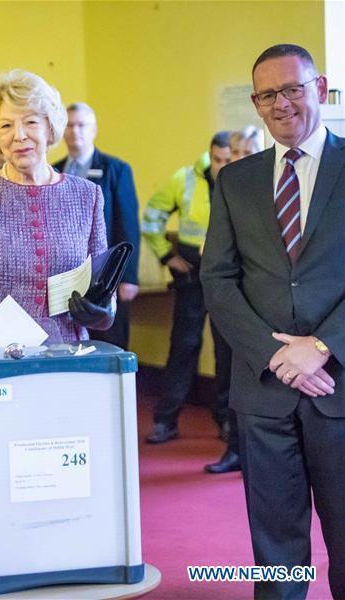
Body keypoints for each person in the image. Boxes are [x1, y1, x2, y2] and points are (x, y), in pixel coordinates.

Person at [202, 44, 344, 599]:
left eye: (293, 89)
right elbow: (218, 279)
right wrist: (278, 355)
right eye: (268, 95)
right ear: (256, 105)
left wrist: (323, 345)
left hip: (339, 385)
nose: (282, 104)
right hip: (263, 392)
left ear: (321, 88)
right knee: (276, 551)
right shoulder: (236, 182)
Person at [0, 69, 112, 344]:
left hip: (67, 352)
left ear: (49, 127)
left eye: (31, 122)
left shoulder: (87, 195)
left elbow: (103, 289)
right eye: (6, 126)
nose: (19, 135)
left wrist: (101, 312)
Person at [141, 132, 231, 444]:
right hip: (192, 272)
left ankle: (226, 420)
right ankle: (166, 420)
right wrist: (168, 256)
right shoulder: (184, 179)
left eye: (228, 160)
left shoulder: (245, 179)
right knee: (184, 345)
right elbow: (152, 218)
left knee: (227, 350)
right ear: (210, 155)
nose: (222, 166)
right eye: (217, 159)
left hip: (230, 273)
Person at [54, 102, 141, 349]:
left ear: (93, 130)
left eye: (82, 125)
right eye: (70, 125)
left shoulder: (116, 169)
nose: (75, 131)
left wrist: (129, 277)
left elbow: (128, 224)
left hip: (107, 272)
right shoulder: (53, 169)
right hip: (67, 273)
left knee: (111, 343)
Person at [204, 125, 265, 475]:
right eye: (235, 153)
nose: (239, 159)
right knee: (227, 371)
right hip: (229, 300)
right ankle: (234, 448)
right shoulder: (228, 190)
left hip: (263, 300)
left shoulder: (275, 187)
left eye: (247, 152)